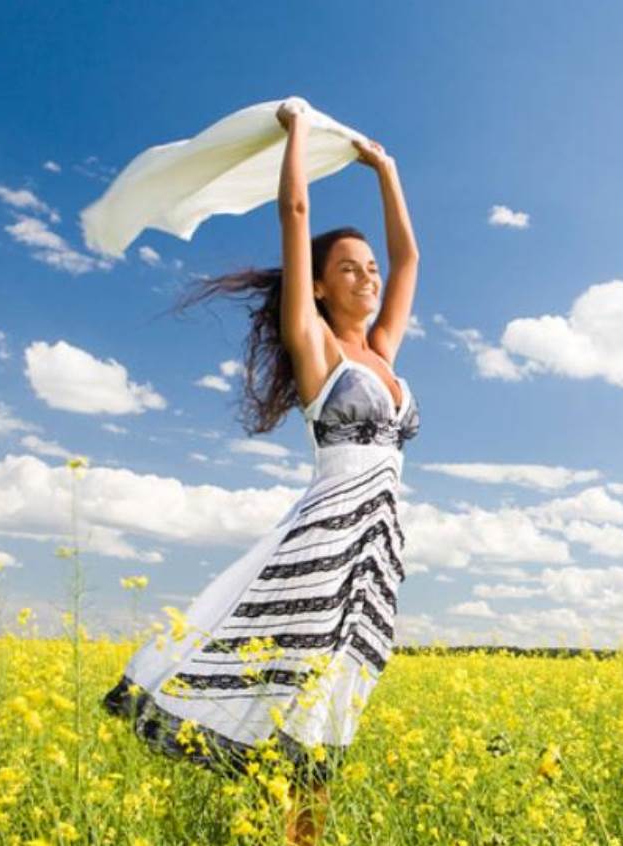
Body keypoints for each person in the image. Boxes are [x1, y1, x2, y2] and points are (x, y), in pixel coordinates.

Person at [101, 98, 420, 845]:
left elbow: (408, 259)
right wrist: (298, 133)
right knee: (303, 693)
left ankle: (297, 831)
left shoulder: (384, 354)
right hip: (322, 541)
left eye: (368, 270)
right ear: (316, 286)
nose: (367, 277)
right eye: (348, 269)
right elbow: (296, 211)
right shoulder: (317, 349)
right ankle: (292, 833)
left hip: (379, 549)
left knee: (338, 696)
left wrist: (387, 171)